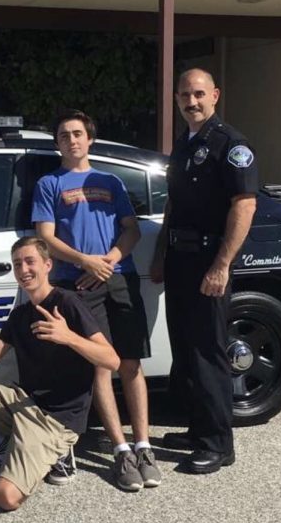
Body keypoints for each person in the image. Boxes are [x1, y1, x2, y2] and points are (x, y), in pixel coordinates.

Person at [0, 236, 119, 511]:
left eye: (30, 261)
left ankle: (58, 451)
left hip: (56, 420)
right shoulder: (20, 314)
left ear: (47, 265)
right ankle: (7, 448)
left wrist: (68, 337)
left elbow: (112, 360)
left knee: (5, 497)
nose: (23, 270)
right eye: (17, 264)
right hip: (24, 404)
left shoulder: (67, 303)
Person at [32, 110, 160, 492]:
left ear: (90, 140)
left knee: (131, 364)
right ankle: (120, 451)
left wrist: (108, 262)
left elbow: (131, 230)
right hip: (77, 285)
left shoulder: (110, 181)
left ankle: (143, 445)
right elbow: (45, 238)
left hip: (119, 278)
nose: (71, 140)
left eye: (77, 134)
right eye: (64, 135)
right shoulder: (48, 183)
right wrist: (85, 262)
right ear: (57, 143)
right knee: (101, 367)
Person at [151, 68, 258, 474]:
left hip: (209, 260)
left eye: (198, 94)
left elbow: (244, 204)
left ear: (215, 94)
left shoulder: (231, 145)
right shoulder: (184, 144)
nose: (190, 102)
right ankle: (198, 429)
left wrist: (222, 266)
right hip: (181, 258)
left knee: (209, 351)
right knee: (185, 348)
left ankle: (218, 443)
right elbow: (174, 206)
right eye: (184, 95)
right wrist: (161, 254)